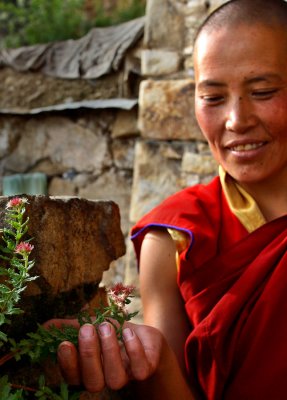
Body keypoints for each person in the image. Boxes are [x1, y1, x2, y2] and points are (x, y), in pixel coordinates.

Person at [51, 0, 287, 398]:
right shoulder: (175, 236)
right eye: (212, 98)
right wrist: (154, 359)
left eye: (262, 91)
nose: (236, 120)